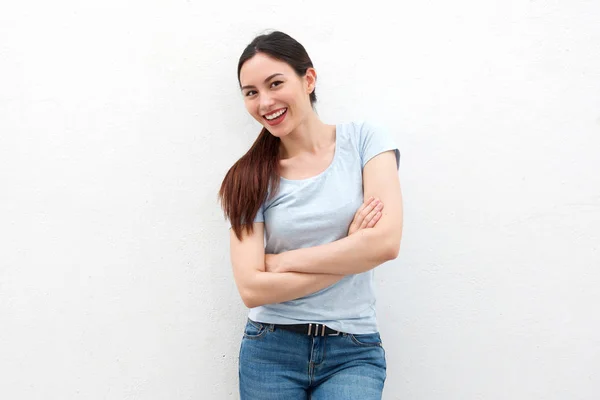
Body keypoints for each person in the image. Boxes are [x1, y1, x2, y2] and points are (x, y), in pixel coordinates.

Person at [218, 30, 403, 400]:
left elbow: (385, 243)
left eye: (275, 83)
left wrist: (282, 262)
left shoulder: (366, 141)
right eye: (251, 92)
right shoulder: (246, 177)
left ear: (309, 79)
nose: (265, 101)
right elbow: (252, 289)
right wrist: (352, 250)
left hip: (353, 349)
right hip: (270, 350)